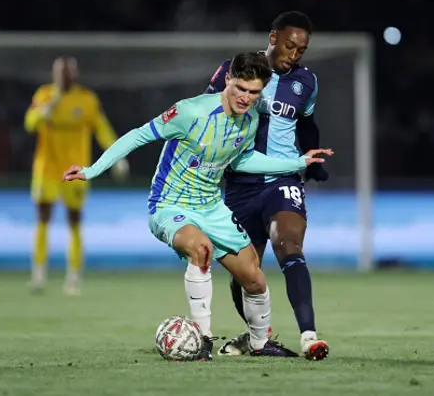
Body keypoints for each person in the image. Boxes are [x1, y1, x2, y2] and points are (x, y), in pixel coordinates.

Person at [62, 52, 332, 360]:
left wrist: (297, 162)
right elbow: (138, 136)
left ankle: (259, 344)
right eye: (240, 88)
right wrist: (91, 170)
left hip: (211, 208)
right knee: (201, 249)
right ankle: (203, 340)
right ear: (228, 80)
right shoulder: (190, 112)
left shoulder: (251, 119)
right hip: (170, 205)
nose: (246, 98)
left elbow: (244, 159)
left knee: (254, 277)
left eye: (254, 92)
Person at [205, 11, 330, 360]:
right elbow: (207, 114)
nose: (294, 54)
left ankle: (309, 336)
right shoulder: (236, 71)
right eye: (290, 46)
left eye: (301, 50)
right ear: (273, 38)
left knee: (289, 245)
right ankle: (258, 337)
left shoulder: (306, 82)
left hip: (283, 179)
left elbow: (307, 124)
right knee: (245, 274)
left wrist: (314, 160)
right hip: (240, 185)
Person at [24, 57, 130, 296]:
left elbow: (102, 128)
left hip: (75, 170)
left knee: (74, 220)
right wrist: (49, 106)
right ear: (54, 75)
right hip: (46, 169)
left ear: (75, 74)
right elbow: (30, 123)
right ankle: (38, 275)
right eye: (59, 73)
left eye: (67, 72)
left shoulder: (87, 100)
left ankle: (72, 278)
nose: (63, 77)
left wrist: (117, 156)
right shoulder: (44, 95)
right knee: (42, 217)